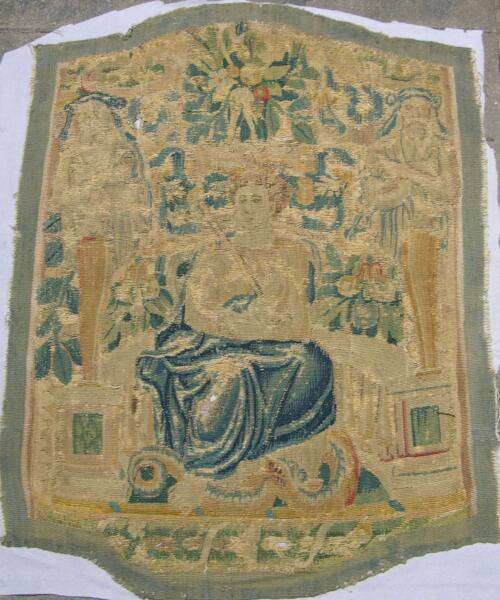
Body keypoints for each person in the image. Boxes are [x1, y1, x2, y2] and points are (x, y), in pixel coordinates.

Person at [136, 172, 336, 479]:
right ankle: (205, 463)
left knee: (312, 362)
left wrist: (263, 322)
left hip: (276, 346)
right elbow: (197, 315)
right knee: (232, 373)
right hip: (212, 346)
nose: (247, 208)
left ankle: (265, 448)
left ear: (274, 206)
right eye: (242, 201)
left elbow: (298, 323)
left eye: (256, 200)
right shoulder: (214, 254)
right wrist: (243, 318)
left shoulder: (293, 253)